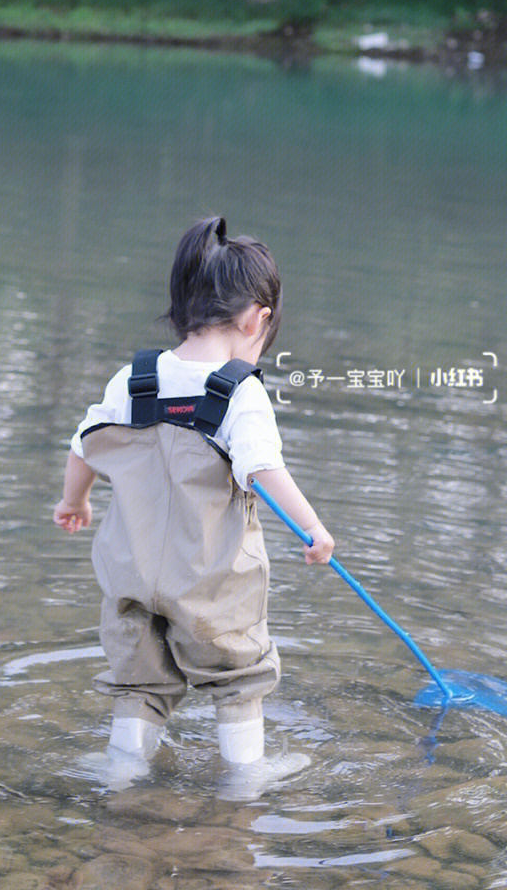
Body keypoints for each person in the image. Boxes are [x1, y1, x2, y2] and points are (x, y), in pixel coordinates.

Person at [53, 214, 334, 772]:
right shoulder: (240, 395)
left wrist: (75, 502)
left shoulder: (133, 381)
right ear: (260, 320)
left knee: (138, 682)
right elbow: (263, 472)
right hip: (210, 579)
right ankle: (245, 781)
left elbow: (84, 445)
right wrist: (313, 528)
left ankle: (123, 772)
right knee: (240, 678)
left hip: (129, 570)